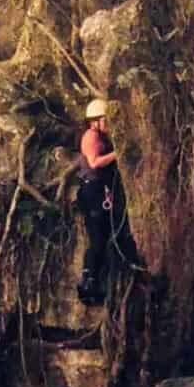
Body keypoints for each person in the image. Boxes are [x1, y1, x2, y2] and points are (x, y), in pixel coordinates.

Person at [76, 99, 141, 305]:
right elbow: (95, 163)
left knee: (106, 236)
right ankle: (88, 282)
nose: (108, 124)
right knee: (97, 238)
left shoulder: (100, 136)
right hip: (92, 192)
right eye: (105, 120)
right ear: (95, 121)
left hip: (99, 191)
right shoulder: (90, 137)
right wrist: (118, 153)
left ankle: (100, 279)